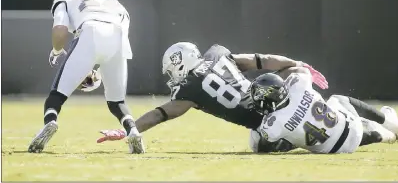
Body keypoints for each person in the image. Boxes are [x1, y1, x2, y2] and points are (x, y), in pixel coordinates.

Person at [96, 42, 328, 153]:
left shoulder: (190, 90)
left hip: (271, 128)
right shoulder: (217, 55)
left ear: (180, 63)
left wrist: (127, 129)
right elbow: (262, 59)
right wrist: (297, 65)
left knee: (257, 143)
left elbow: (161, 114)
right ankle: (319, 110)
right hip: (284, 102)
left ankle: (301, 134)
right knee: (286, 75)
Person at [28, 0, 144, 154]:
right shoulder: (115, 2)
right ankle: (132, 130)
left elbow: (60, 29)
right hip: (119, 40)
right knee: (117, 101)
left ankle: (50, 122)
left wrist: (57, 50)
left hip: (90, 31)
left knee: (57, 95)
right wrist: (96, 70)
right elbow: (116, 38)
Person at [250, 70, 398, 154]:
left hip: (334, 150)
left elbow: (261, 148)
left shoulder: (272, 125)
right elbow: (302, 71)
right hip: (349, 126)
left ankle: (382, 135)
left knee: (326, 135)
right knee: (336, 100)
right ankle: (389, 122)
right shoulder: (298, 85)